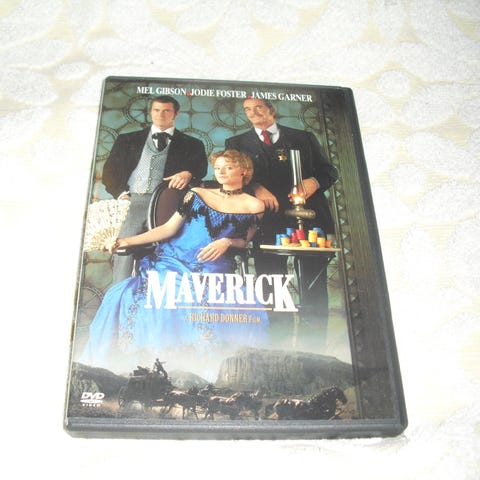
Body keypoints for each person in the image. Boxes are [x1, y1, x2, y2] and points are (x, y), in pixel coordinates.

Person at [80, 150, 268, 377]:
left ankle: (207, 370)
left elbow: (244, 241)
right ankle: (155, 366)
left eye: (228, 167)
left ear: (244, 171)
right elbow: (168, 229)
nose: (221, 172)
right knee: (143, 293)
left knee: (230, 300)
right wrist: (125, 240)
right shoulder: (196, 194)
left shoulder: (255, 205)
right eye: (217, 168)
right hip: (173, 259)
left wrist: (227, 242)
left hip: (212, 265)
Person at [225, 98, 338, 345]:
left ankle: (314, 348)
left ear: (272, 110)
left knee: (313, 284)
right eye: (247, 110)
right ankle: (278, 346)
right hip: (266, 219)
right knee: (271, 284)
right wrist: (256, 187)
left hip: (309, 218)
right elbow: (233, 178)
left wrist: (313, 182)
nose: (253, 113)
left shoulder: (303, 137)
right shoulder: (236, 143)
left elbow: (330, 171)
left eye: (258, 107)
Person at [102, 95, 208, 284]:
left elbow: (200, 171)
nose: (161, 114)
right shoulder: (127, 139)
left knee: (168, 252)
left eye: (167, 110)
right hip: (133, 203)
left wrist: (189, 173)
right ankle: (120, 293)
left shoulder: (193, 144)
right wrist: (122, 195)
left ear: (176, 114)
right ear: (151, 112)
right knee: (124, 252)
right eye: (156, 110)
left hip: (170, 205)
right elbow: (109, 172)